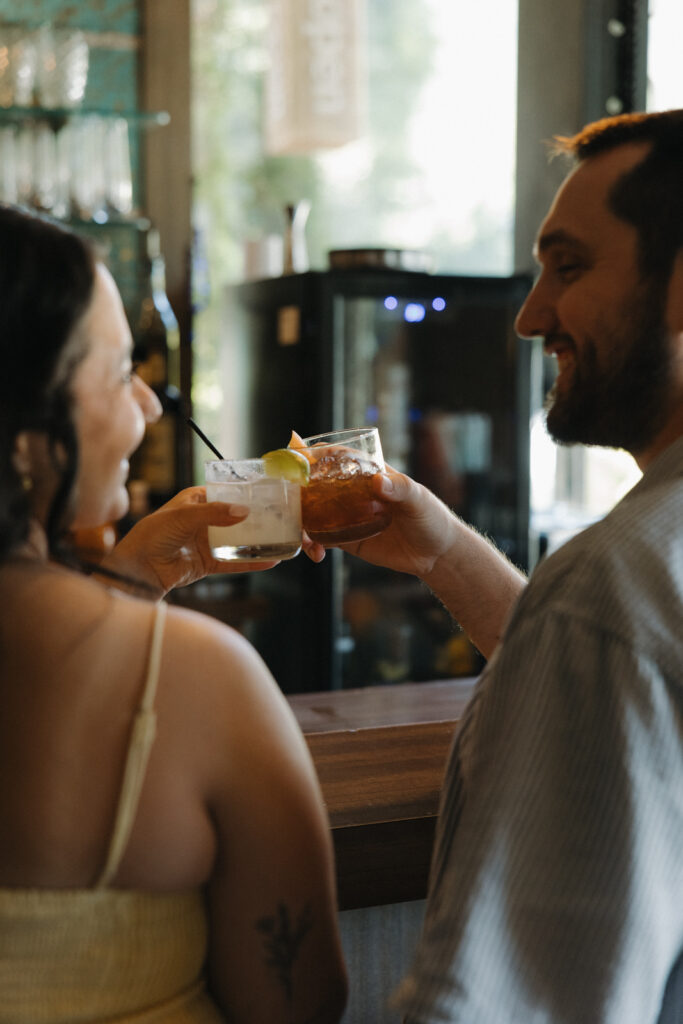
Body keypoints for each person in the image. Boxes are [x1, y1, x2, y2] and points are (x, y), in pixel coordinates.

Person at [308, 109, 683, 1022]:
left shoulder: (610, 587)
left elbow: (509, 1002)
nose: (527, 316)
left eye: (570, 267)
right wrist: (443, 551)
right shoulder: (623, 588)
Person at [0, 204, 347, 1024]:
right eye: (122, 374)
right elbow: (298, 1007)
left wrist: (133, 574)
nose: (152, 408)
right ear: (23, 438)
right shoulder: (198, 679)